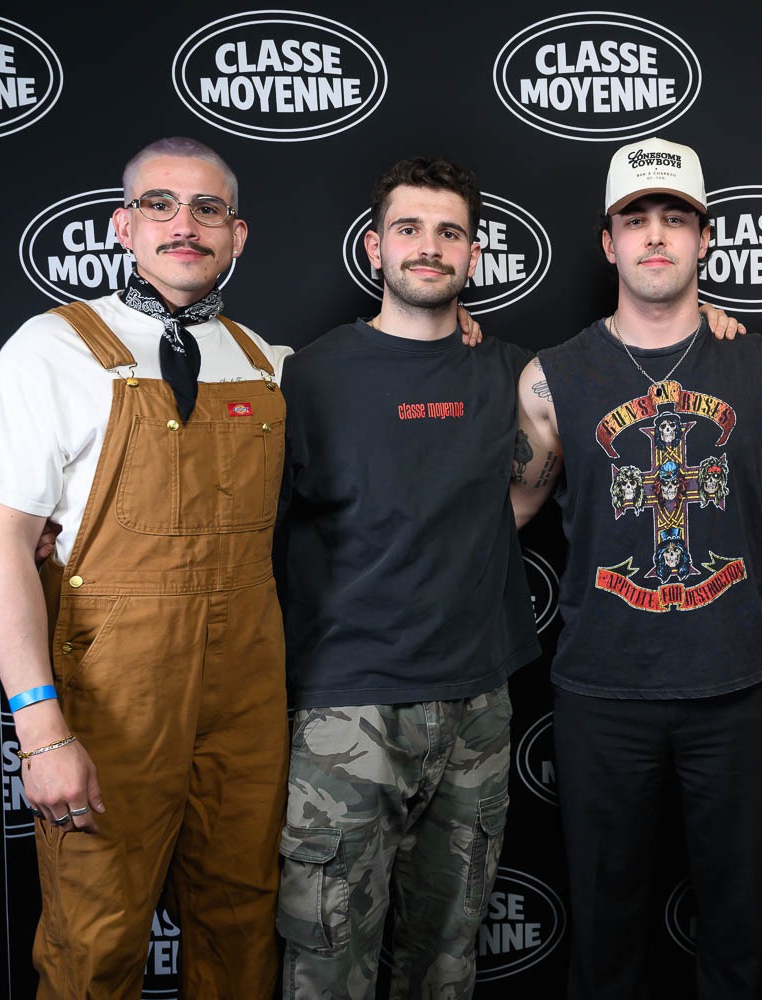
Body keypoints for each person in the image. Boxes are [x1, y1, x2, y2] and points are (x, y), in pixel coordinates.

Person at [0, 136, 292, 998]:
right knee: (95, 941)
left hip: (246, 695)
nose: (185, 226)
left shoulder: (267, 364)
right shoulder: (49, 351)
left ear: (236, 236)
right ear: (123, 227)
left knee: (241, 929)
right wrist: (42, 729)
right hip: (112, 701)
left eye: (208, 210)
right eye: (161, 206)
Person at [509, 137, 762, 999]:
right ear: (607, 243)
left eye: (674, 218)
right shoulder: (550, 379)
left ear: (705, 238)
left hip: (737, 686)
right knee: (604, 935)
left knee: (740, 926)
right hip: (603, 691)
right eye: (634, 220)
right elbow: (508, 511)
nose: (654, 236)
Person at [273, 156, 540, 999]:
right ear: (375, 244)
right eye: (410, 228)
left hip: (475, 710)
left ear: (474, 254)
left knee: (447, 961)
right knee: (326, 962)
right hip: (345, 709)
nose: (430, 248)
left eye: (450, 232)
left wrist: (713, 320)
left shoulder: (516, 376)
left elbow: (643, 363)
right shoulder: (308, 375)